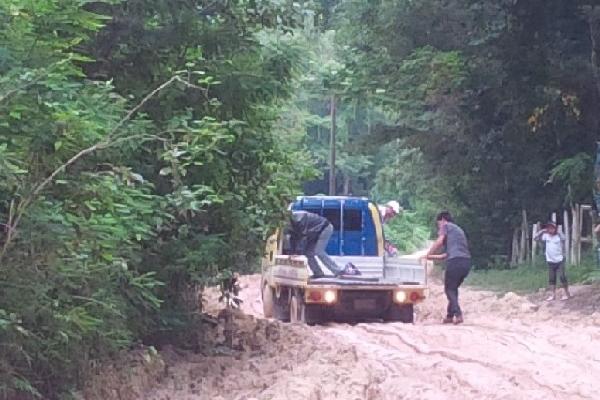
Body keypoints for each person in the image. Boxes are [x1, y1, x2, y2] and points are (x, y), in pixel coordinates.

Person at [422, 211, 471, 325]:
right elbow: (445, 255)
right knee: (453, 289)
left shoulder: (446, 226)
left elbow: (439, 242)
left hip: (455, 262)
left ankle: (458, 314)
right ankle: (449, 316)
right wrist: (429, 257)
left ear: (443, 220)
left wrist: (429, 253)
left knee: (449, 289)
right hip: (466, 262)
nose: (439, 227)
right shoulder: (457, 231)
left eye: (438, 224)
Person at [287, 211, 344, 278]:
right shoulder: (291, 224)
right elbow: (293, 238)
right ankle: (318, 273)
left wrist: (296, 252)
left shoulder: (297, 218)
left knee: (319, 251)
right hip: (314, 232)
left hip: (324, 228)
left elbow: (301, 235)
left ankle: (338, 271)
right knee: (307, 253)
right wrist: (293, 252)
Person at [534, 222, 571, 301]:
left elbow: (564, 238)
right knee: (552, 278)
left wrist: (559, 232)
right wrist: (542, 231)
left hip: (559, 260)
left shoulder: (558, 236)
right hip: (550, 261)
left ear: (555, 229)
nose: (551, 230)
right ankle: (552, 295)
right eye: (549, 228)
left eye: (552, 228)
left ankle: (567, 293)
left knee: (562, 276)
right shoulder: (546, 236)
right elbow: (535, 238)